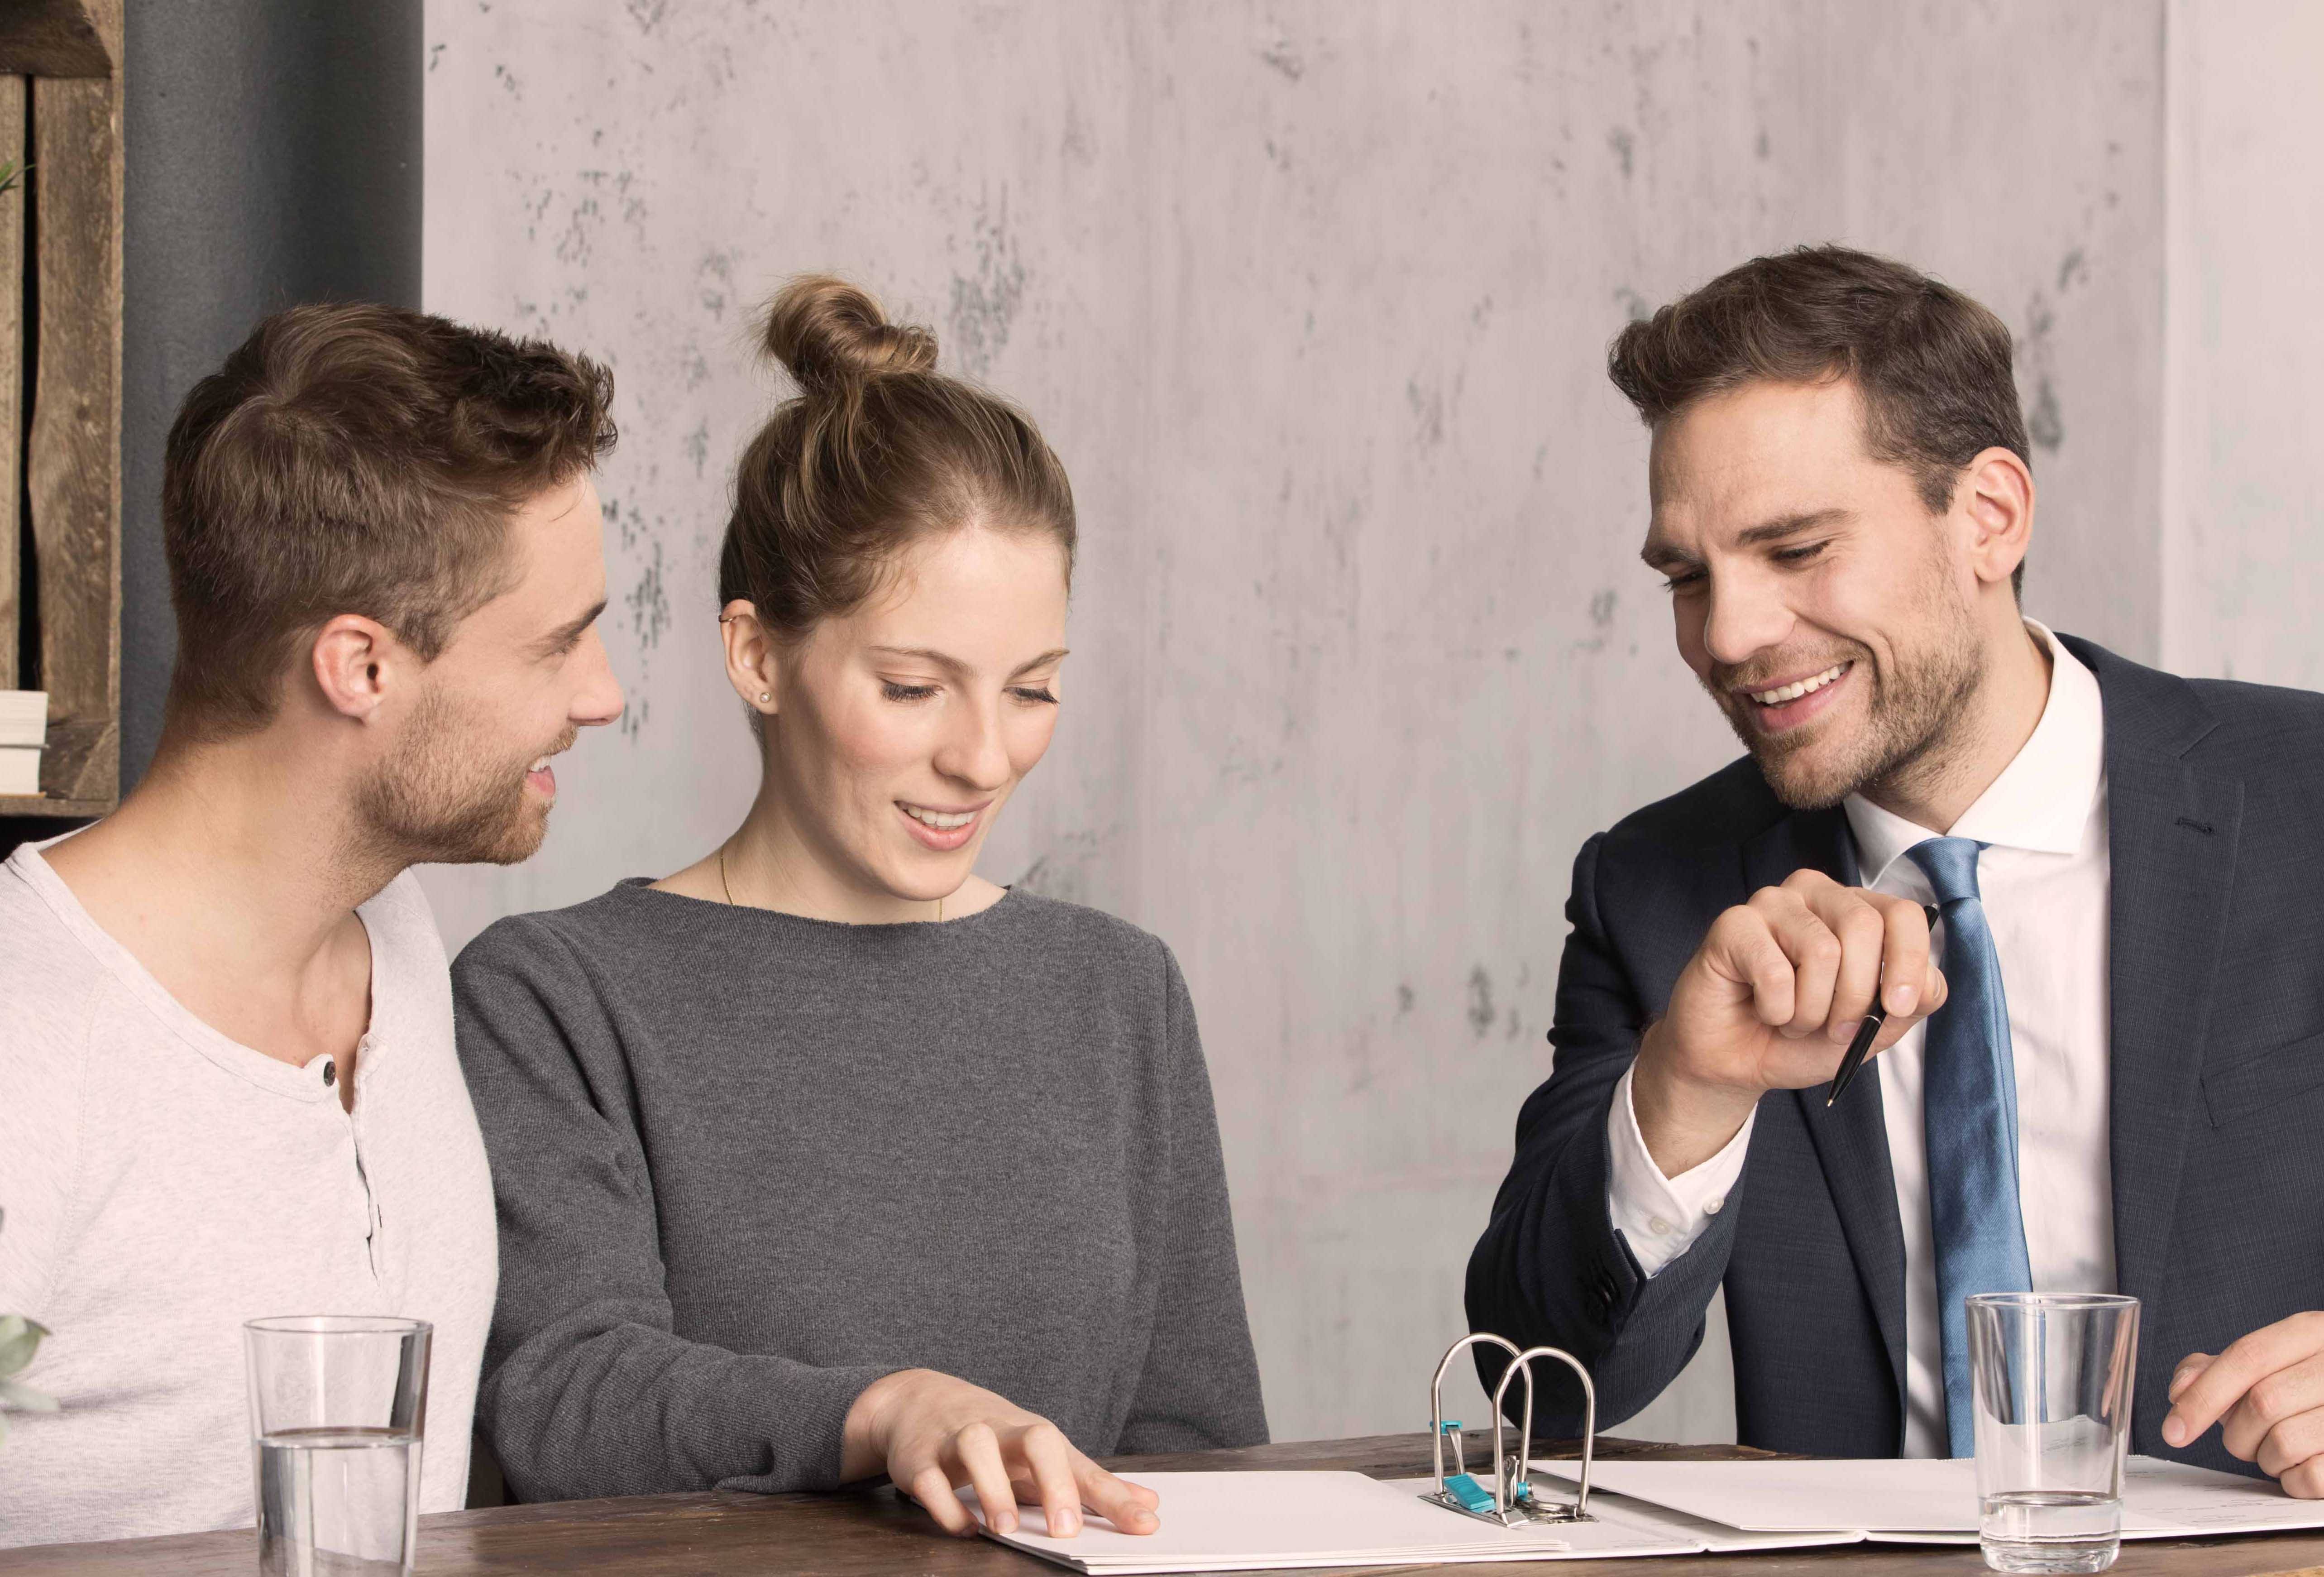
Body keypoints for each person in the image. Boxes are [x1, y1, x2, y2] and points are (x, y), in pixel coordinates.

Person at [1467, 245, 2324, 1494]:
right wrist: (1688, 1090)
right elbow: (1538, 1376)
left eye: (1797, 549)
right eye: (1690, 576)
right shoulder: (1659, 891)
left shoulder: (2305, 798)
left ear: (1989, 516)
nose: (1730, 634)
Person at [453, 276, 1267, 1540]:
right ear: (757, 654)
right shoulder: (556, 993)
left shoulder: (1121, 995)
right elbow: (562, 1398)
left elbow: (1196, 1464)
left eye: (1033, 689)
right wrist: (883, 1411)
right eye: (913, 687)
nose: (986, 757)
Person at [0, 304, 626, 1545]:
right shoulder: (25, 1051)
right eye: (557, 645)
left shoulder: (400, 933)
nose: (600, 696)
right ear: (363, 667)